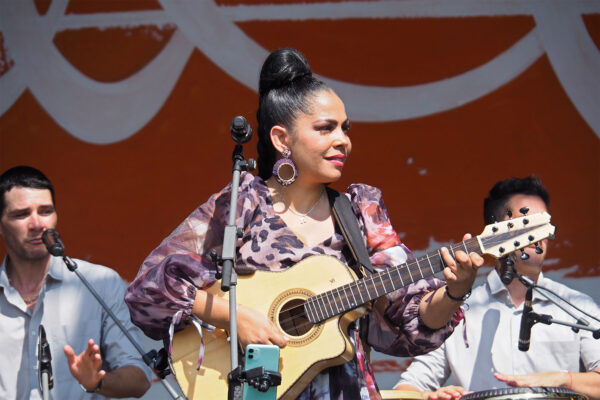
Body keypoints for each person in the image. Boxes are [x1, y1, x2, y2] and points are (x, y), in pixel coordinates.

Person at [124, 48, 484, 400]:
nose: (342, 140)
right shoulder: (244, 202)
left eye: (346, 128)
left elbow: (411, 319)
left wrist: (455, 290)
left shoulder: (360, 212)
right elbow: (150, 289)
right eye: (326, 129)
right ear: (282, 139)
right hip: (254, 389)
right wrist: (232, 318)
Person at [394, 176, 600, 400]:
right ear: (497, 231)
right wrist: (429, 397)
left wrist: (562, 379)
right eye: (528, 223)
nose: (539, 234)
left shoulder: (577, 305)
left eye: (544, 224)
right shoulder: (457, 309)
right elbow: (406, 389)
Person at [0, 166, 151, 399]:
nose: (37, 224)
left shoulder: (99, 283)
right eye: (22, 214)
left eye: (45, 211)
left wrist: (97, 382)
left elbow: (139, 379)